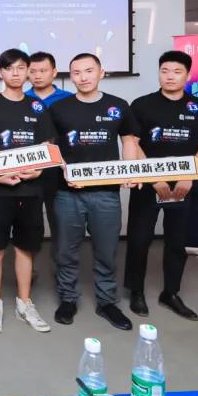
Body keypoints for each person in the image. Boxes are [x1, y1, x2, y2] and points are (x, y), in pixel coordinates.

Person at [47, 54, 140, 331]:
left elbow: (129, 140)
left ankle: (107, 302)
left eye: (89, 71)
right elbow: (49, 146)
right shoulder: (59, 108)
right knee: (65, 250)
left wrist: (131, 170)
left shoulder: (118, 105)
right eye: (76, 72)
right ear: (70, 76)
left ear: (101, 72)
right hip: (67, 192)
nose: (83, 77)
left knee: (106, 250)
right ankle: (68, 299)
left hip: (106, 193)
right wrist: (64, 169)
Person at [125, 51, 198, 321]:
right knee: (139, 239)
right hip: (149, 184)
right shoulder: (142, 105)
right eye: (164, 71)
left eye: (177, 72)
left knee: (177, 240)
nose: (170, 76)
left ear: (188, 75)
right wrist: (154, 177)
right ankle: (136, 291)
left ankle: (171, 292)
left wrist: (190, 176)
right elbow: (133, 144)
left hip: (184, 186)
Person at [0, 49, 55, 335]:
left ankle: (24, 302)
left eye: (21, 68)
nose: (15, 73)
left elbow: (47, 144)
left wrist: (39, 170)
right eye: (9, 68)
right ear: (0, 73)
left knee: (25, 248)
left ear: (28, 71)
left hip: (30, 190)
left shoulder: (37, 107)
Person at [26, 52, 74, 260]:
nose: (37, 75)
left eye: (43, 70)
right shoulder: (22, 99)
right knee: (30, 222)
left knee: (60, 220)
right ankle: (29, 267)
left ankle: (61, 265)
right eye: (33, 71)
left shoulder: (69, 99)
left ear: (54, 72)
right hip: (30, 169)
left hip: (59, 169)